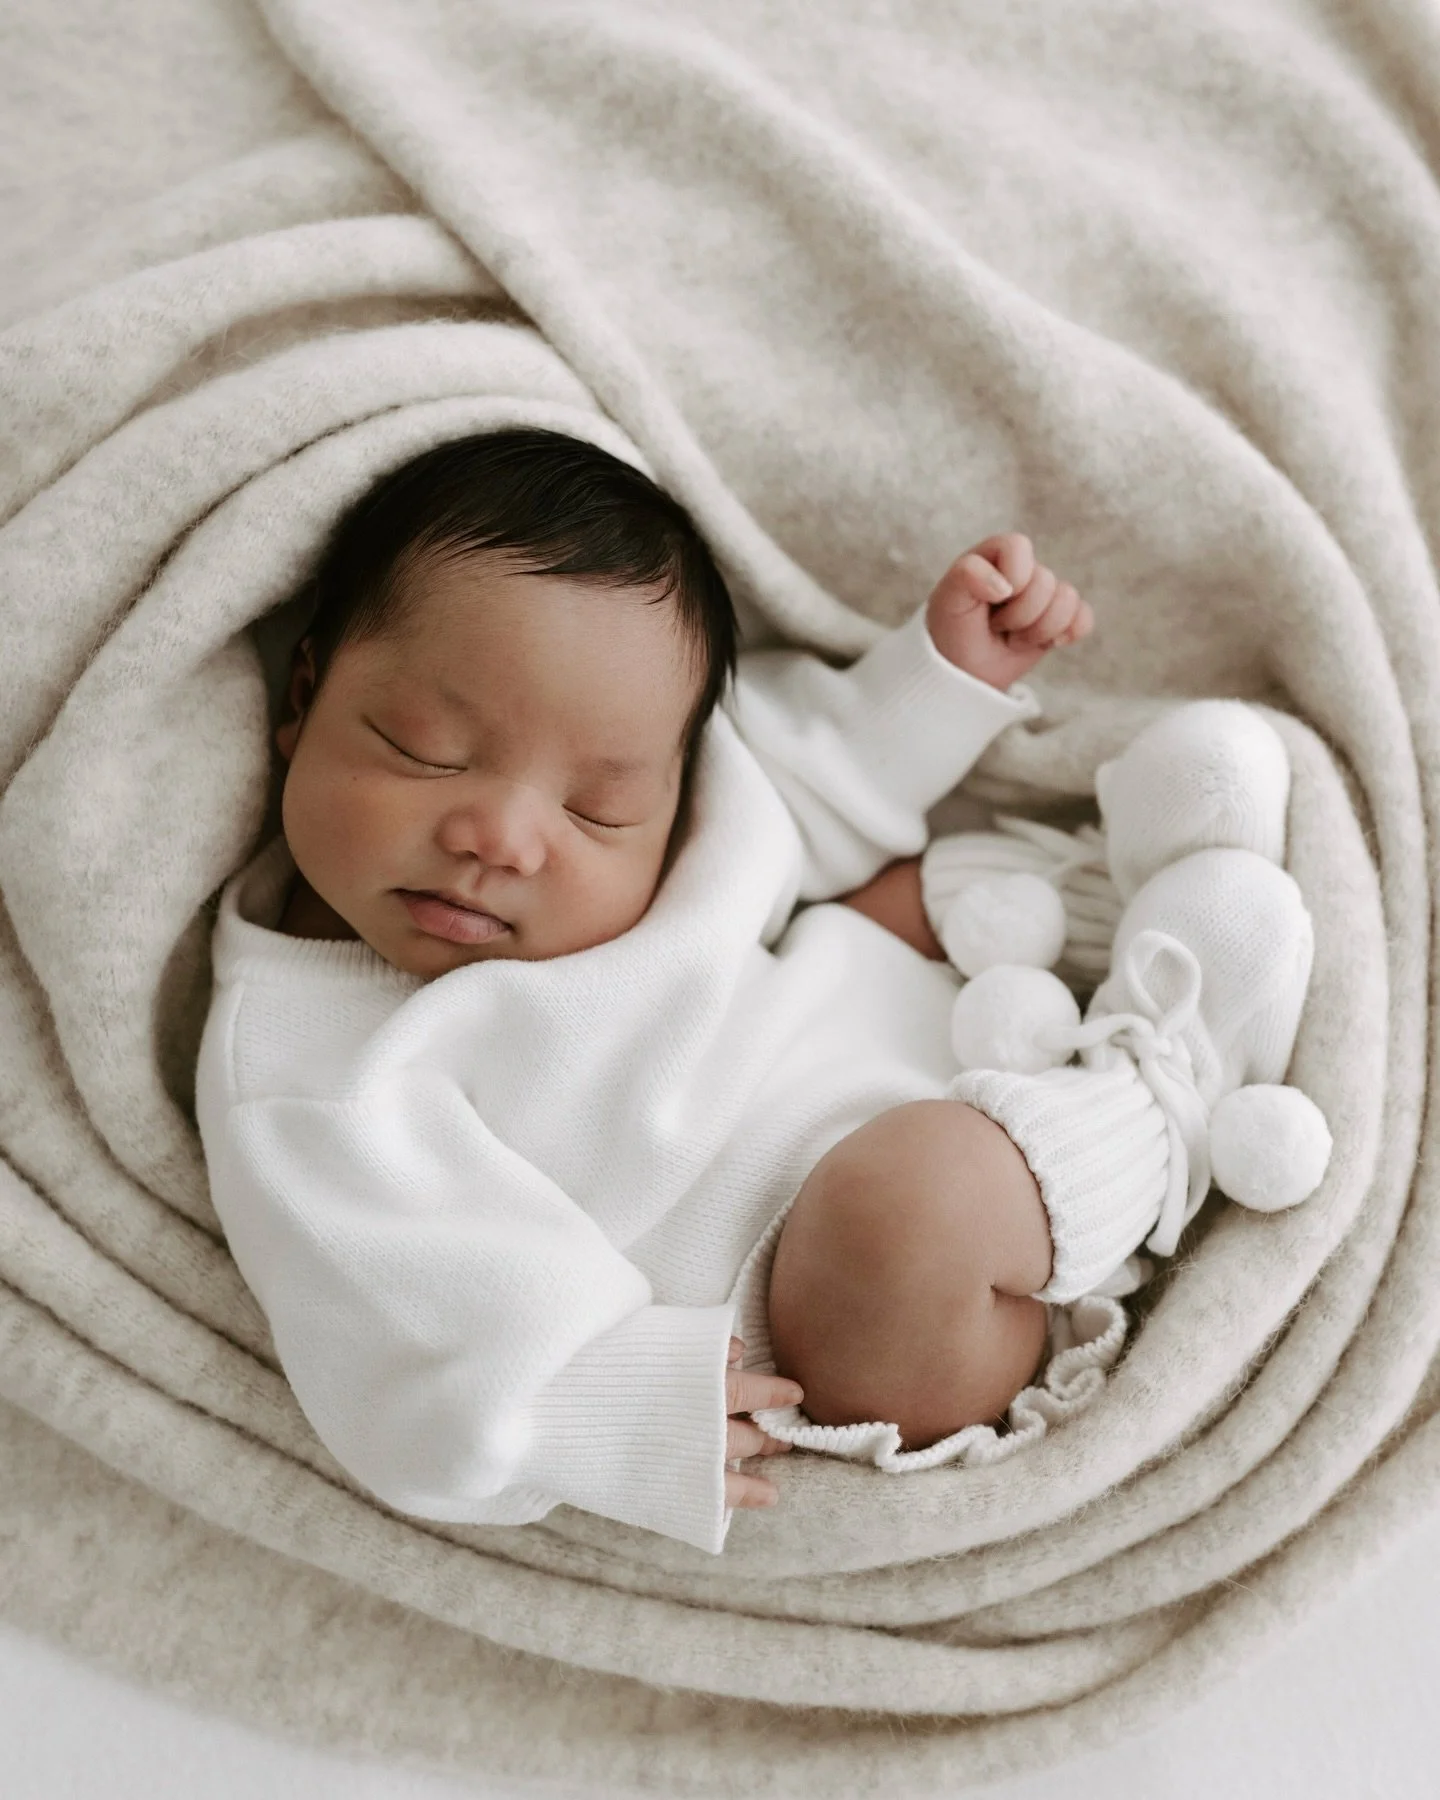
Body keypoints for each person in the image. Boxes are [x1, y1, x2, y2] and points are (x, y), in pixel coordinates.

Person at [195, 427, 1315, 1555]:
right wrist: (605, 1400)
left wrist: (939, 677)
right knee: (902, 1215)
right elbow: (403, 1315)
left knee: (882, 899)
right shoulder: (312, 1081)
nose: (502, 836)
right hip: (838, 1292)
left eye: (596, 809)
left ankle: (1068, 915)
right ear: (303, 697)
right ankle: (1160, 1088)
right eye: (425, 750)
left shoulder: (684, 798)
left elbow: (797, 789)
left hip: (886, 1024)